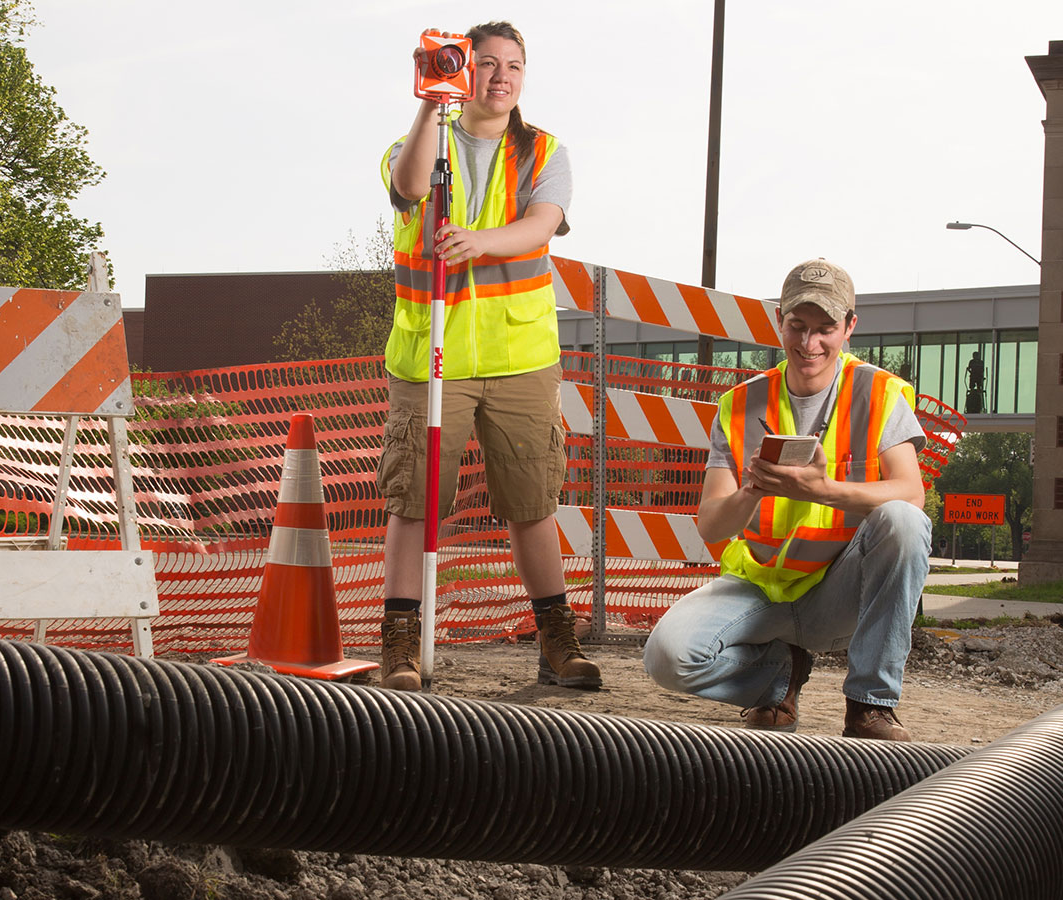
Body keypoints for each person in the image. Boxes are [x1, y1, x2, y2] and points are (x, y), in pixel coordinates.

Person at [375, 21, 597, 692]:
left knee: (533, 502)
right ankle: (401, 645)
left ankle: (556, 640)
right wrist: (428, 103)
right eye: (487, 64)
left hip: (520, 359)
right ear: (463, 72)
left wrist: (479, 241)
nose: (502, 76)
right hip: (430, 359)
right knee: (413, 504)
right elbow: (410, 188)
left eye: (514, 66)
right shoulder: (415, 143)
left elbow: (540, 224)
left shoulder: (544, 151)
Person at [642, 259, 931, 741]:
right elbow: (712, 525)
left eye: (825, 330)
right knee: (668, 658)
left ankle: (869, 706)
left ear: (849, 328)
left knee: (903, 522)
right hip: (762, 588)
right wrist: (753, 489)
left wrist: (821, 490)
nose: (808, 344)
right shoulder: (740, 404)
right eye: (797, 326)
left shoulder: (878, 393)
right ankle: (780, 678)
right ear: (780, 320)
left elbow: (911, 495)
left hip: (840, 595)